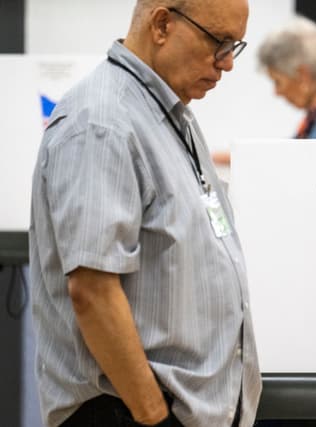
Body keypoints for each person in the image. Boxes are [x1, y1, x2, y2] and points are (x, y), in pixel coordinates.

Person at [28, 1, 261, 426]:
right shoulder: (102, 122)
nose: (227, 63)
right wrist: (153, 414)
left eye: (234, 47)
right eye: (220, 43)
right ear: (162, 24)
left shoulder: (168, 117)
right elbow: (93, 291)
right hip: (132, 414)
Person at [211, 15, 316, 166]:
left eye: (278, 81)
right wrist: (239, 158)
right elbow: (292, 156)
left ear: (303, 75)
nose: (276, 93)